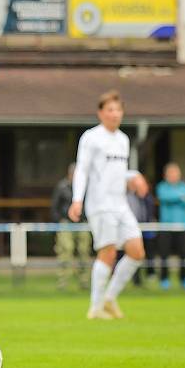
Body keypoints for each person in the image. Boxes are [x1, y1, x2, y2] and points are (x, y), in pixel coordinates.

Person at [68, 90, 146, 320]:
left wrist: (134, 176)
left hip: (121, 204)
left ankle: (109, 299)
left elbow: (116, 172)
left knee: (136, 252)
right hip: (100, 205)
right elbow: (82, 169)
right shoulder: (91, 137)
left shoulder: (123, 139)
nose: (115, 114)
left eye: (118, 110)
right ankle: (95, 308)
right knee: (108, 254)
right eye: (110, 110)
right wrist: (77, 199)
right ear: (100, 113)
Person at [51, 163, 91, 291]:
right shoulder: (62, 186)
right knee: (66, 250)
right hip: (66, 223)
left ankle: (84, 282)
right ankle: (63, 283)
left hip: (82, 222)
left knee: (84, 251)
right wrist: (60, 221)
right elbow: (55, 207)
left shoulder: (85, 186)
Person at [155, 162, 185, 290]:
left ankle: (184, 279)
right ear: (166, 175)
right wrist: (179, 197)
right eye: (171, 173)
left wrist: (178, 199)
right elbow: (164, 197)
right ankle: (164, 279)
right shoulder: (161, 187)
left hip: (183, 226)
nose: (173, 175)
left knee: (184, 254)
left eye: (176, 173)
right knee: (164, 254)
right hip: (166, 226)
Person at [125, 174, 157, 285]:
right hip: (133, 230)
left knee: (148, 253)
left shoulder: (148, 198)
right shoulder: (129, 197)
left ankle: (150, 274)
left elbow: (151, 212)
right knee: (134, 254)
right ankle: (136, 279)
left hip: (147, 231)